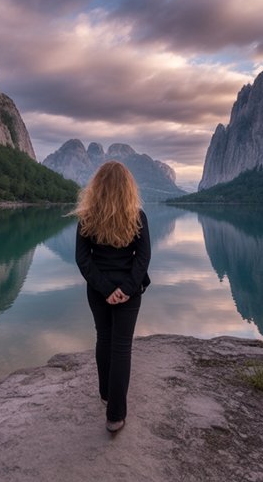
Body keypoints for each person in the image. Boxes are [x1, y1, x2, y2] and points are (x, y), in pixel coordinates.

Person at [71, 161, 151, 434]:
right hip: (129, 291)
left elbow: (83, 259)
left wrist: (105, 289)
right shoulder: (137, 216)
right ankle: (115, 416)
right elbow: (143, 258)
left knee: (104, 339)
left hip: (97, 290)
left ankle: (106, 394)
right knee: (121, 347)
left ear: (97, 187)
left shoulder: (87, 217)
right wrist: (126, 289)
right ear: (128, 188)